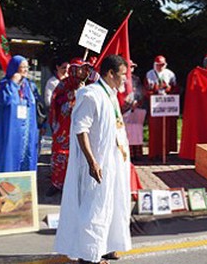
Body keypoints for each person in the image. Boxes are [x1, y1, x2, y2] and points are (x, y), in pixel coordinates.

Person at [54, 54, 131, 263]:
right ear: (110, 73)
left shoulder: (111, 95)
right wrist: (92, 162)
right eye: (123, 74)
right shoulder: (91, 95)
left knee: (113, 204)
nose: (126, 78)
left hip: (114, 162)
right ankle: (89, 255)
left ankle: (106, 246)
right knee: (95, 208)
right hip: (97, 163)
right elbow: (81, 129)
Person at [46, 58, 93, 196]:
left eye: (84, 68)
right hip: (65, 127)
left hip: (83, 126)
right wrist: (71, 95)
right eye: (78, 68)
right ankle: (57, 183)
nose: (81, 71)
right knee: (61, 154)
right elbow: (56, 101)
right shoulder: (64, 84)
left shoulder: (90, 84)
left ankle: (79, 185)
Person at [0, 55, 40, 173]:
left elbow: (37, 104)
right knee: (9, 158)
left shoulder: (29, 85)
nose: (25, 70)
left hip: (27, 130)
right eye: (22, 67)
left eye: (26, 67)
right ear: (14, 68)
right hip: (10, 131)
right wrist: (13, 83)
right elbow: (4, 100)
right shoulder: (5, 84)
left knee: (27, 158)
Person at [144, 55, 178, 161]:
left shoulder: (170, 74)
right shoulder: (149, 75)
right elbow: (146, 90)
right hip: (155, 106)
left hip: (166, 106)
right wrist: (155, 90)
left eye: (162, 65)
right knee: (155, 130)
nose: (160, 67)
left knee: (166, 128)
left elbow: (175, 88)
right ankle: (154, 153)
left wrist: (169, 89)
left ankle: (165, 151)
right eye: (158, 65)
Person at [122, 60, 146, 161]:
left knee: (137, 131)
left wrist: (137, 102)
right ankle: (128, 153)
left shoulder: (136, 79)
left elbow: (141, 91)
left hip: (136, 107)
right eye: (129, 67)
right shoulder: (121, 79)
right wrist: (127, 104)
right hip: (125, 108)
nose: (131, 69)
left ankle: (137, 153)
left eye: (132, 67)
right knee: (126, 131)